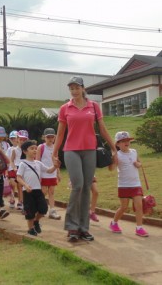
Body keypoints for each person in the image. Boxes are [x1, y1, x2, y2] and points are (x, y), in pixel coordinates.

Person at [52, 76, 117, 242]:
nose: (74, 91)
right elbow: (60, 133)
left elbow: (102, 129)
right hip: (71, 150)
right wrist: (54, 153)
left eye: (76, 88)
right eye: (71, 88)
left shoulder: (93, 106)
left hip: (90, 150)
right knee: (78, 185)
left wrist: (113, 146)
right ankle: (72, 227)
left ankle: (83, 228)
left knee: (87, 187)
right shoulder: (65, 108)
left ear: (83, 88)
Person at [108, 131, 149, 237]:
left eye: (127, 140)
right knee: (124, 207)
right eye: (123, 141)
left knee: (139, 206)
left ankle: (139, 228)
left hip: (136, 184)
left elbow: (139, 163)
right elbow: (111, 169)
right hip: (123, 185)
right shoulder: (117, 155)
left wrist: (138, 164)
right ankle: (114, 223)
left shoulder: (134, 152)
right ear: (117, 144)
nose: (126, 142)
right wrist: (113, 160)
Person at [17, 140, 60, 236]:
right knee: (30, 211)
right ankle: (30, 228)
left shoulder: (38, 163)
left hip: (38, 190)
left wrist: (55, 166)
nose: (35, 150)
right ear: (25, 151)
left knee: (43, 209)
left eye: (35, 148)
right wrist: (25, 185)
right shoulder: (23, 164)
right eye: (32, 148)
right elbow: (18, 177)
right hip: (28, 191)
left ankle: (36, 221)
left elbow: (48, 170)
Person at [36, 128, 61, 220]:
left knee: (51, 192)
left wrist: (58, 173)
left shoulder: (55, 147)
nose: (50, 139)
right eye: (48, 137)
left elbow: (56, 161)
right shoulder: (40, 147)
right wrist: (38, 175)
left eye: (52, 137)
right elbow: (37, 161)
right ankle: (40, 208)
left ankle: (52, 210)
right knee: (43, 192)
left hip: (52, 173)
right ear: (44, 137)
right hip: (43, 173)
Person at [11, 130, 29, 211]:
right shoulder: (15, 150)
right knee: (17, 185)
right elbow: (11, 160)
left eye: (24, 140)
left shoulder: (27, 150)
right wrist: (14, 167)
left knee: (23, 186)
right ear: (17, 139)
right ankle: (18, 200)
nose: (22, 141)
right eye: (21, 139)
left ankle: (23, 202)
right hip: (17, 168)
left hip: (25, 167)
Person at [6, 130, 18, 208]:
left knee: (20, 186)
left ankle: (21, 201)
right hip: (11, 169)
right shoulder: (9, 149)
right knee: (12, 184)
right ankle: (12, 199)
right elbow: (7, 160)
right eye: (11, 139)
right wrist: (6, 170)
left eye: (15, 138)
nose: (13, 140)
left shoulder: (21, 148)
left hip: (19, 168)